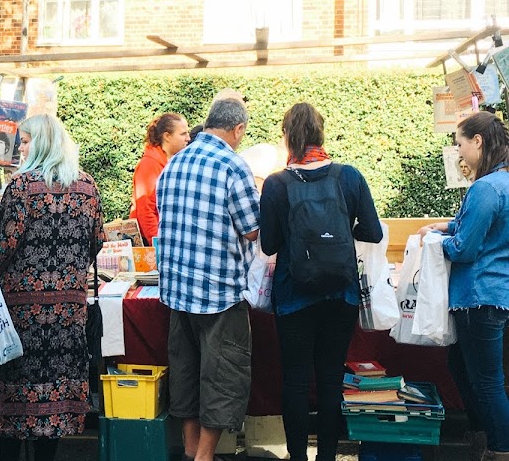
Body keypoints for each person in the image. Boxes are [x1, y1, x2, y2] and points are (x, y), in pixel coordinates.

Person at [258, 103, 382, 461]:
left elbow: (268, 244)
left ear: (287, 138)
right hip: (340, 294)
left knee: (295, 380)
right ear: (321, 134)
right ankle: (327, 456)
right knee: (330, 380)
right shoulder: (350, 176)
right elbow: (372, 232)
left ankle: (297, 457)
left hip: (294, 295)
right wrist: (340, 232)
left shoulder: (277, 185)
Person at [0, 114, 105, 461]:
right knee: (53, 404)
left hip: (20, 315)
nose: (20, 147)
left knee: (13, 401)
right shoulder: (87, 186)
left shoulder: (21, 188)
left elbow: (1, 249)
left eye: (25, 141)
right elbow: (97, 241)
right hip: (67, 313)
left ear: (41, 143)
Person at [155, 98, 260, 461]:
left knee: (185, 373)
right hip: (219, 292)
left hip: (177, 290)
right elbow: (252, 230)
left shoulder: (172, 164)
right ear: (238, 129)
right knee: (221, 376)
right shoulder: (233, 165)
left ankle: (189, 451)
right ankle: (204, 457)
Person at [420, 112, 509, 461]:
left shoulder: (485, 188)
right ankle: (483, 439)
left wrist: (434, 241)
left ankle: (500, 448)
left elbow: (465, 248)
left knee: (487, 380)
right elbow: (468, 226)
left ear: (478, 142)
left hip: (478, 296)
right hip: (496, 293)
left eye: (460, 142)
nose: (458, 151)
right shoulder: (502, 183)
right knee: (462, 368)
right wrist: (446, 227)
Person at [130, 112, 190, 244]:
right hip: (154, 246)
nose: (188, 138)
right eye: (183, 134)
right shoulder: (149, 165)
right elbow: (146, 212)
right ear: (167, 136)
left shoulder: (174, 161)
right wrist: (159, 245)